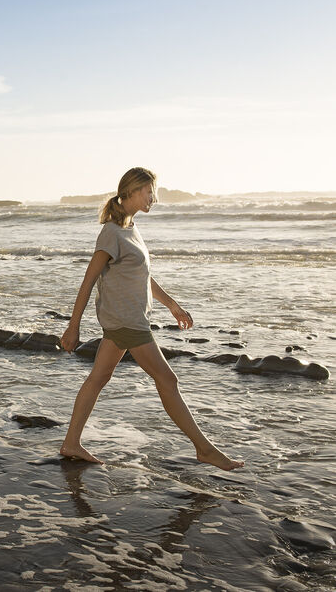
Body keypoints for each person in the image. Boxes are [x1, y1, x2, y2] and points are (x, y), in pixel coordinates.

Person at [59, 167, 243, 471]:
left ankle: (71, 443)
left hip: (127, 321)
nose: (152, 198)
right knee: (167, 379)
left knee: (98, 378)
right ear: (130, 191)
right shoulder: (111, 233)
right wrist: (73, 325)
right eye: (147, 191)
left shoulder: (131, 229)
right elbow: (88, 280)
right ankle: (205, 450)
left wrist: (172, 304)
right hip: (127, 323)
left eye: (152, 191)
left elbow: (142, 276)